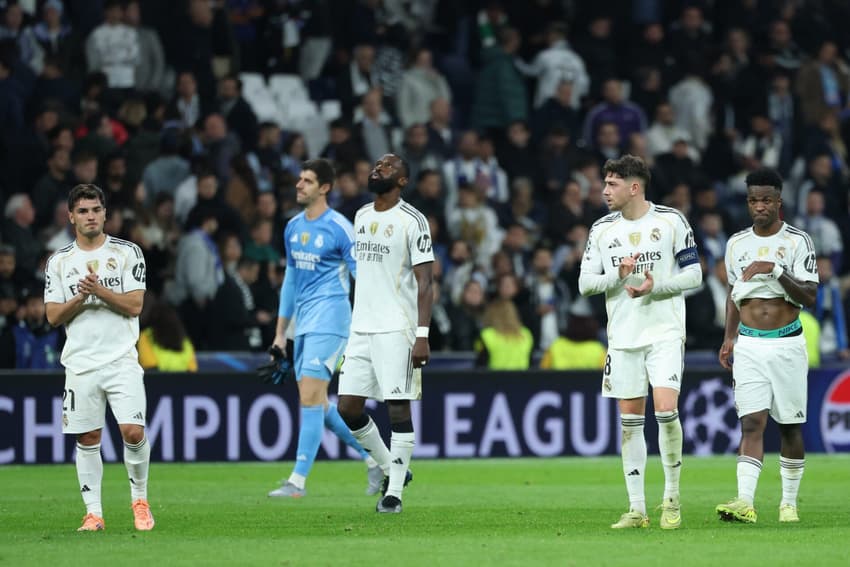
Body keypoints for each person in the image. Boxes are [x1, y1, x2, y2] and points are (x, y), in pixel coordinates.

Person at [578, 155, 702, 529]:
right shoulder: (601, 229)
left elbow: (694, 274)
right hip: (623, 337)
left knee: (665, 411)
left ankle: (672, 499)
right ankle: (637, 509)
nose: (604, 191)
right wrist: (618, 275)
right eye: (605, 183)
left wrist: (655, 287)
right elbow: (586, 284)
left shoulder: (671, 221)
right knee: (630, 423)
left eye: (612, 184)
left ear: (634, 187)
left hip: (664, 332)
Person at [266, 159, 382, 498]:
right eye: (299, 179)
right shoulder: (292, 227)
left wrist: (371, 322)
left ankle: (297, 481)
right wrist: (280, 333)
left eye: (307, 181)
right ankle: (375, 458)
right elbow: (290, 280)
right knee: (320, 404)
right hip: (303, 324)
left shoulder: (341, 228)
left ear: (325, 188)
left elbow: (364, 277)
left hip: (332, 321)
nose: (299, 185)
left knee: (310, 397)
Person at [43, 184, 154, 532]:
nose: (90, 216)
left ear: (105, 214)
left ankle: (140, 500)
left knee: (133, 431)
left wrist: (99, 291)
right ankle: (94, 514)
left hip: (121, 360)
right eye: (83, 211)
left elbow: (135, 305)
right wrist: (81, 296)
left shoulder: (127, 253)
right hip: (80, 363)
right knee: (88, 437)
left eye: (96, 210)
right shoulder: (59, 261)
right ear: (71, 216)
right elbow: (52, 315)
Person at [716, 168, 818, 524]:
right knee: (751, 423)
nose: (759, 206)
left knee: (789, 426)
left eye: (766, 200)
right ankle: (745, 501)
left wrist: (774, 270)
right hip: (749, 345)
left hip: (786, 344)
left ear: (779, 202)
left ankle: (788, 503)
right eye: (753, 200)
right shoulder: (736, 244)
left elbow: (809, 295)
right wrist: (729, 337)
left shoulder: (797, 241)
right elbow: (733, 295)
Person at [337, 153, 434, 514]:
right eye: (376, 165)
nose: (378, 168)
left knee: (397, 408)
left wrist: (422, 334)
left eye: (388, 167)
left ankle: (393, 493)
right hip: (361, 326)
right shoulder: (361, 216)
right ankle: (390, 464)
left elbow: (426, 281)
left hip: (397, 326)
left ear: (403, 181)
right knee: (348, 408)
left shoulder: (413, 220)